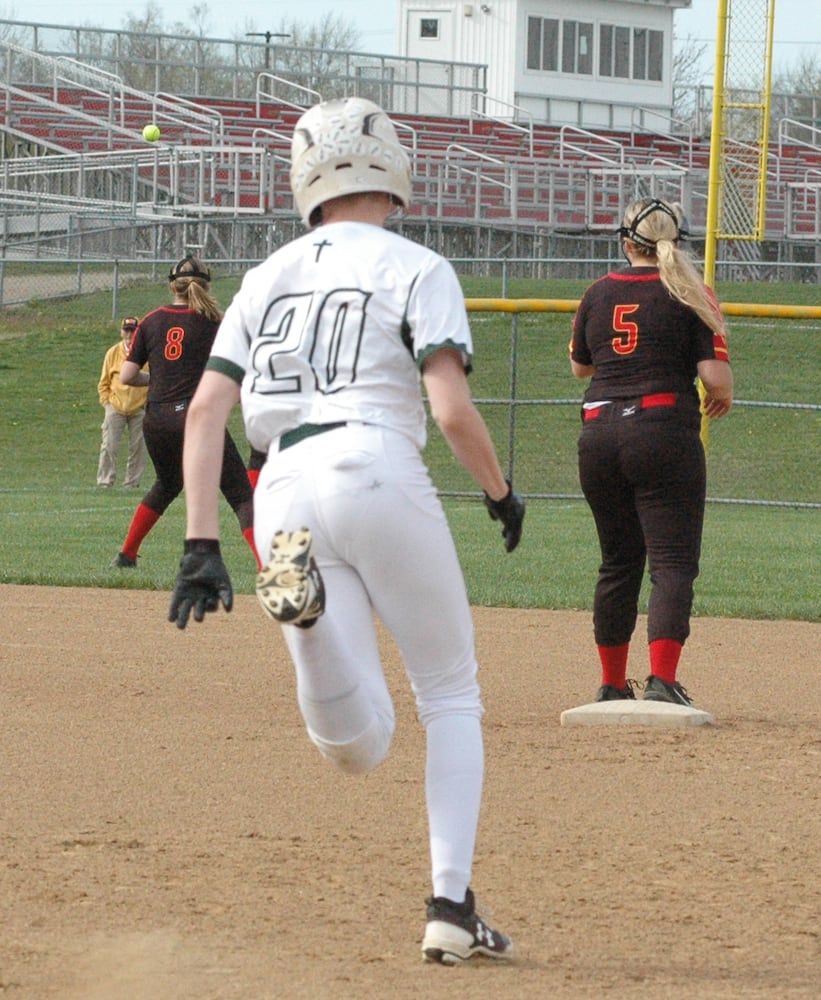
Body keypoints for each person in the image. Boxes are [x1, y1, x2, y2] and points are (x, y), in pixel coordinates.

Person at [167, 97, 525, 964]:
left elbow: (208, 409)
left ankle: (310, 620)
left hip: (281, 481)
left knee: (356, 749)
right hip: (375, 462)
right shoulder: (418, 264)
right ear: (391, 172)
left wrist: (202, 543)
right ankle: (449, 903)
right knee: (448, 695)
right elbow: (448, 408)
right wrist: (499, 492)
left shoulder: (265, 274)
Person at [569, 197, 733, 708]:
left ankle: (612, 684)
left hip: (597, 433)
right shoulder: (688, 291)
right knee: (673, 562)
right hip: (662, 431)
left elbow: (581, 368)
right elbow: (714, 378)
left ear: (625, 243)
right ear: (676, 243)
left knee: (618, 563)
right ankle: (662, 680)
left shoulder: (597, 293)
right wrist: (721, 392)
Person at [111, 256, 259, 570]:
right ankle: (267, 566)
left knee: (167, 484)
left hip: (158, 420)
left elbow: (126, 376)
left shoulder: (151, 320)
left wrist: (159, 379)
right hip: (197, 418)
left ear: (171, 286)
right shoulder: (216, 321)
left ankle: (126, 555)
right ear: (206, 285)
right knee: (241, 495)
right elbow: (234, 374)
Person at [96, 317, 148, 488]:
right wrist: (107, 403)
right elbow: (104, 383)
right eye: (126, 330)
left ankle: (132, 483)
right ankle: (105, 482)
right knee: (109, 446)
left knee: (138, 448)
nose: (129, 334)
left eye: (133, 331)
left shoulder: (147, 353)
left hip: (139, 408)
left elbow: (154, 379)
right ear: (121, 332)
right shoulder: (112, 353)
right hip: (115, 407)